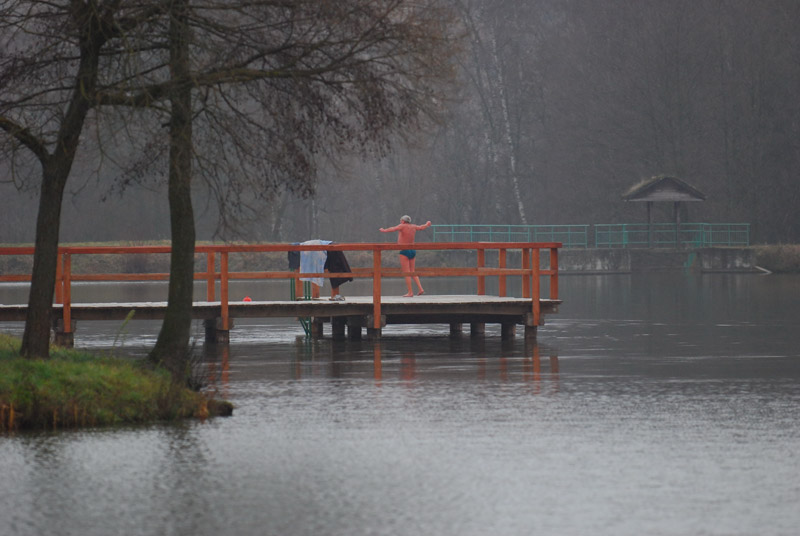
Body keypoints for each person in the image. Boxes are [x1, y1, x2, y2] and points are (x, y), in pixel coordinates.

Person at [379, 215, 432, 297]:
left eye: (401, 221)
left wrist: (384, 230)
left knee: (406, 273)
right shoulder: (413, 226)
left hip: (404, 250)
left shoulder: (402, 226)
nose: (400, 222)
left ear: (403, 221)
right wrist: (427, 224)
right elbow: (421, 227)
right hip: (412, 250)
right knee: (412, 271)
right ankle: (420, 289)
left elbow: (393, 228)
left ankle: (410, 292)